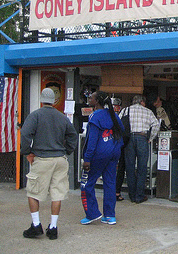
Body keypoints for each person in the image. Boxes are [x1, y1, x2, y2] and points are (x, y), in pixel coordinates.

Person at [20, 88, 78, 240]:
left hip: (42, 158)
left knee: (33, 192)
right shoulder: (62, 117)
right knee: (57, 194)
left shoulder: (35, 115)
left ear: (41, 99)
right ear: (54, 101)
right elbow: (73, 135)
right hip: (60, 159)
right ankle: (53, 227)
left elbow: (25, 134)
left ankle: (36, 225)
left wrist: (27, 152)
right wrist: (67, 150)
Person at [80, 91, 124, 225]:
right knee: (110, 183)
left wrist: (87, 159)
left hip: (99, 154)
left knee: (87, 183)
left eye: (91, 97)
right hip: (114, 152)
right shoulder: (114, 115)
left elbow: (92, 140)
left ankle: (92, 213)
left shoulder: (94, 117)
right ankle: (110, 215)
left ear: (97, 101)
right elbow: (122, 131)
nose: (89, 99)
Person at [119, 95, 160, 203]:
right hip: (142, 138)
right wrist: (150, 138)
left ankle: (132, 195)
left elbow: (118, 124)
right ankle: (139, 195)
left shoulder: (125, 110)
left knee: (130, 167)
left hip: (129, 139)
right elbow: (156, 125)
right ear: (142, 102)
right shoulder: (148, 112)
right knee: (142, 168)